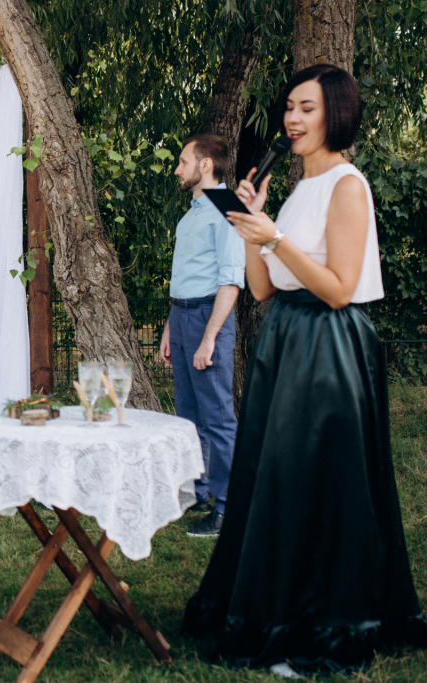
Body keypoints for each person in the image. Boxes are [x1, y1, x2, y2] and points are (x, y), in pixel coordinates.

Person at [182, 64, 427, 677]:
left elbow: (341, 289)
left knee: (323, 486)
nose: (292, 119)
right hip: (287, 339)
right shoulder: (296, 190)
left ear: (336, 114)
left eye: (307, 108)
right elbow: (265, 291)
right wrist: (251, 227)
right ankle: (280, 611)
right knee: (281, 482)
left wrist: (277, 238)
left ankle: (327, 625)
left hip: (329, 347)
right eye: (289, 107)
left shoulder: (348, 185)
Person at [160, 134, 245, 537]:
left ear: (205, 165)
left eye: (182, 161)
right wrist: (168, 328)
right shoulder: (192, 213)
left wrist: (210, 337)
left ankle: (227, 509)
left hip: (209, 318)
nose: (177, 169)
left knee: (217, 418)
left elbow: (231, 282)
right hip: (182, 317)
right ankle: (199, 493)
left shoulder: (229, 209)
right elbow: (184, 278)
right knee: (189, 416)